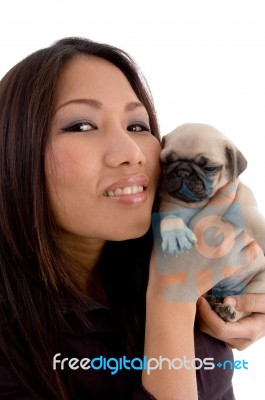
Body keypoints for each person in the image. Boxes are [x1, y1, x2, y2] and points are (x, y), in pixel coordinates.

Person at [0, 37, 265, 400]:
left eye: (138, 126)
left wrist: (245, 294)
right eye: (81, 126)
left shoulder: (177, 246)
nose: (131, 153)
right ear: (14, 151)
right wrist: (172, 299)